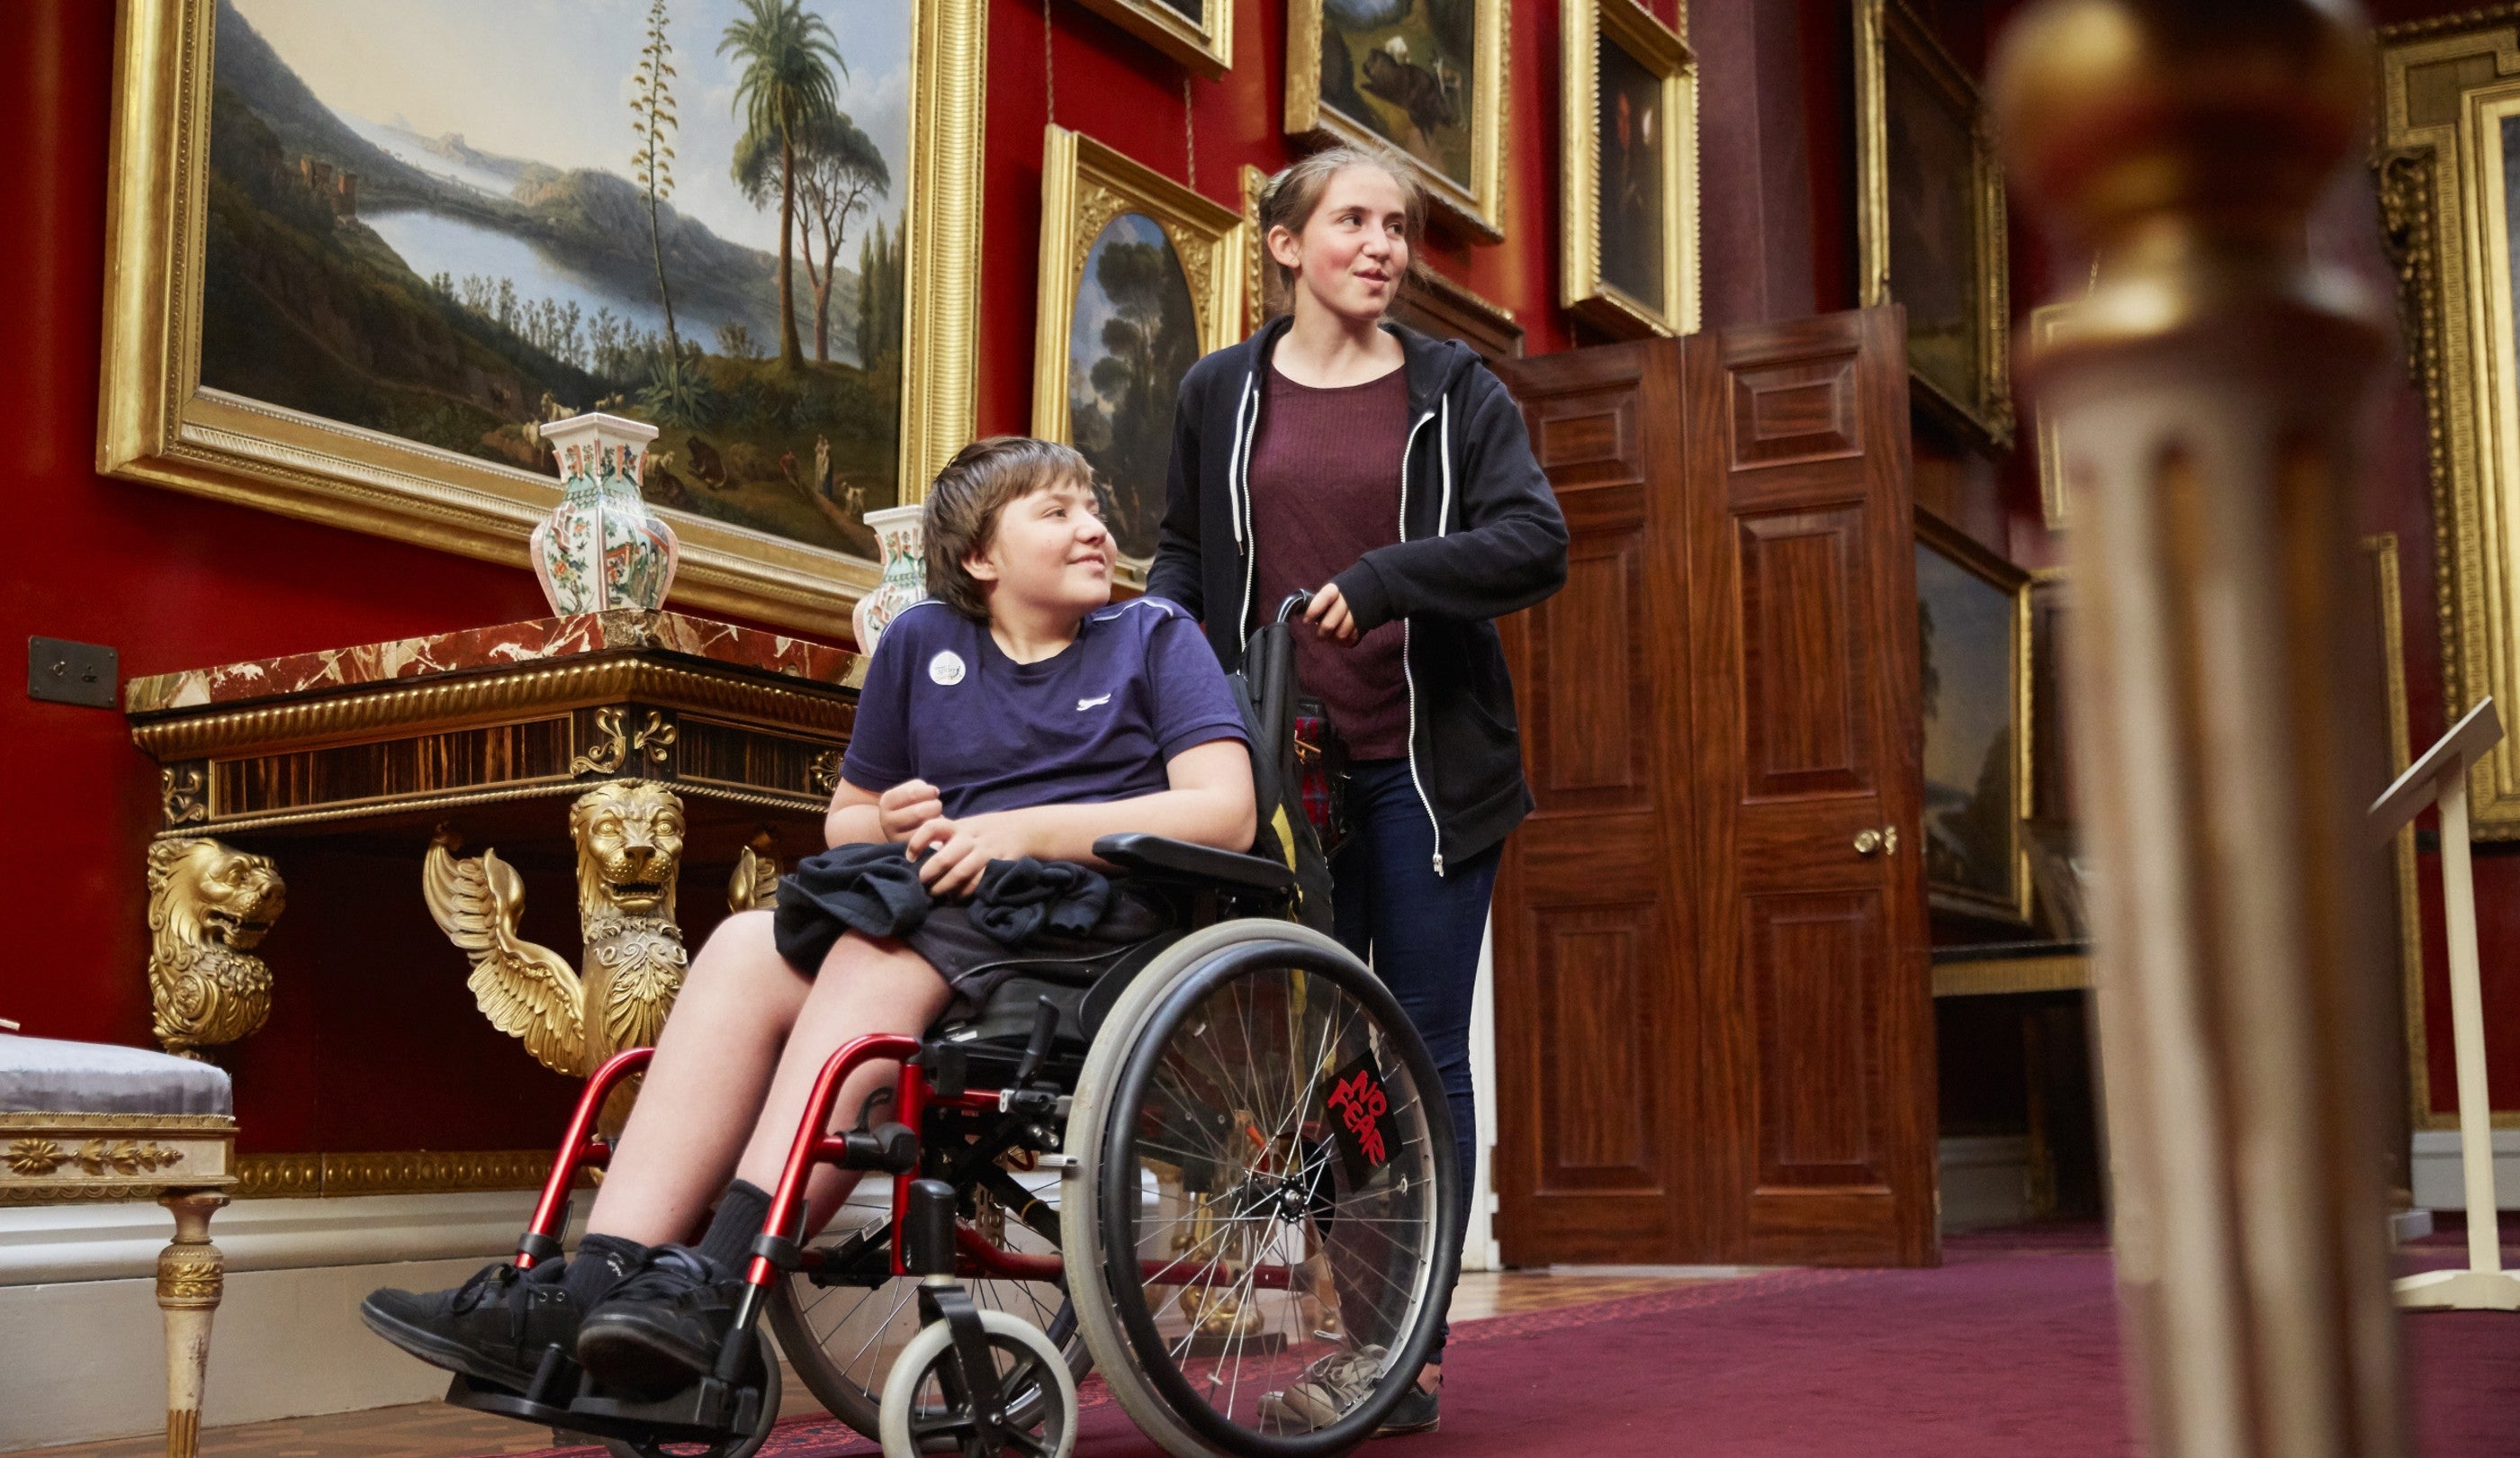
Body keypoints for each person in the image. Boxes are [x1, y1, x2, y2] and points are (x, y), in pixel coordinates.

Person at [360, 436, 1256, 1397]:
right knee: (750, 942)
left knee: (878, 946)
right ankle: (587, 1283)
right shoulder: (920, 644)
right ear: (980, 559)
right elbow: (848, 822)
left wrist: (1023, 833)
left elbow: (1225, 812)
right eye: (1057, 512)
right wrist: (893, 817)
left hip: (1088, 913)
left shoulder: (1154, 636)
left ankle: (714, 1280)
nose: (1093, 528)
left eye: (1090, 506)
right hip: (945, 897)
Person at [1148, 146, 1569, 1436]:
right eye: (1352, 221)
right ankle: (1370, 1330)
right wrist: (1152, 671)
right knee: (1332, 1051)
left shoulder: (1455, 392)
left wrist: (1389, 578)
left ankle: (1407, 1349)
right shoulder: (1221, 391)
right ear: (1285, 243)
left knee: (1419, 1046)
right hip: (1285, 781)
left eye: (1398, 226)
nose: (1381, 244)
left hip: (1428, 775)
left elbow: (1533, 540)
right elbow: (1180, 552)